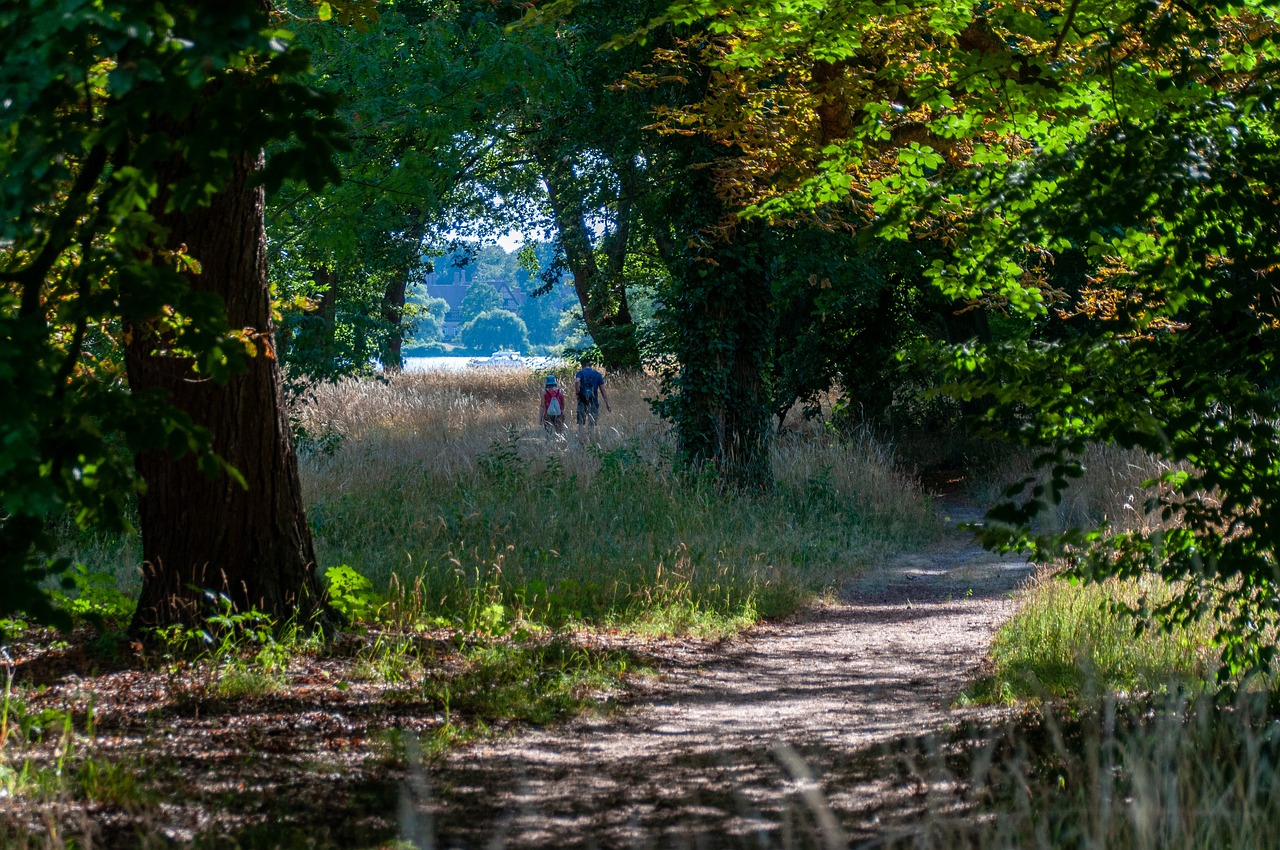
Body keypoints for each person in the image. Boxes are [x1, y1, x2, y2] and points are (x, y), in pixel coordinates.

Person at [573, 362, 610, 438]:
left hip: (582, 401)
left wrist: (577, 393)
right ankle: (592, 443)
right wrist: (607, 403)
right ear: (591, 366)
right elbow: (603, 390)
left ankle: (582, 442)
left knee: (581, 424)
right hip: (594, 402)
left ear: (583, 366)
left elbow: (577, 381)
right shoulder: (597, 375)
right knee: (592, 424)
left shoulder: (580, 373)